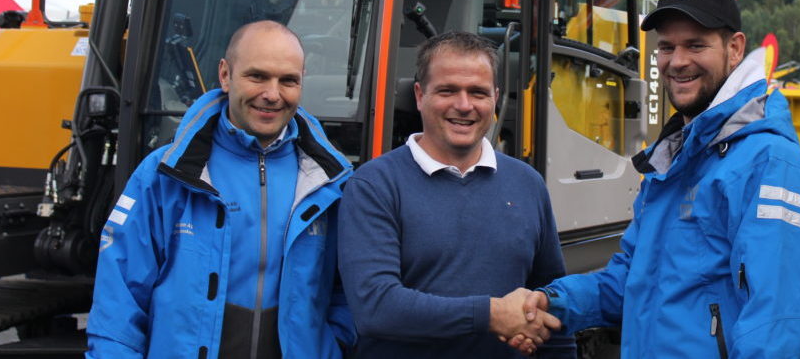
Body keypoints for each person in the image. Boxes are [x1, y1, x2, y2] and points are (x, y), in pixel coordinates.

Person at [516, 0, 800, 358]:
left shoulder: (771, 167)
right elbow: (630, 281)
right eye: (667, 47)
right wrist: (550, 304)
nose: (678, 61)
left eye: (696, 45)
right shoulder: (672, 162)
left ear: (735, 49)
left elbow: (776, 326)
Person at [87, 20, 355, 358]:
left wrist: (335, 345)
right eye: (257, 76)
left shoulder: (332, 182)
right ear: (225, 75)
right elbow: (119, 298)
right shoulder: (164, 175)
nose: (272, 94)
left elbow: (350, 291)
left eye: (288, 80)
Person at [338, 31, 572, 358]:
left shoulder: (527, 184)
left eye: (478, 92)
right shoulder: (374, 186)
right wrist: (490, 315)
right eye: (447, 90)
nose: (464, 106)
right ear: (420, 95)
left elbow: (552, 303)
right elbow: (376, 308)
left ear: (495, 98)